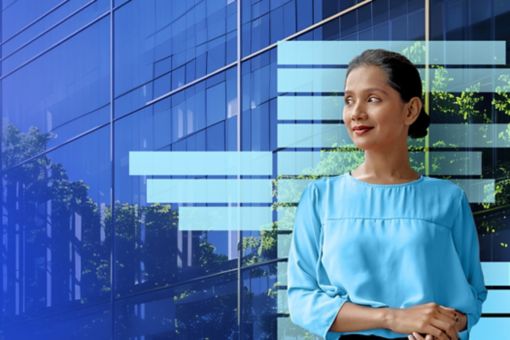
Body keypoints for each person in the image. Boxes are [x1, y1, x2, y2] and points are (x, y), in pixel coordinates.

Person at [286, 49, 487, 340]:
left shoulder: (449, 199)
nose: (356, 112)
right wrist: (393, 318)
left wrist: (447, 326)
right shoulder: (320, 198)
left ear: (410, 110)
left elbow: (473, 298)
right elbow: (303, 301)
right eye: (349, 100)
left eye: (372, 99)